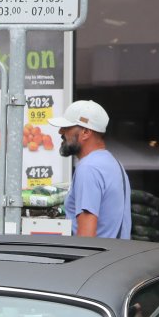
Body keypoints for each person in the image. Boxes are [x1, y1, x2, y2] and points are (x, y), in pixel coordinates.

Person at [49, 99, 131, 239]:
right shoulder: (114, 164)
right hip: (116, 252)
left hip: (98, 253)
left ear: (86, 132)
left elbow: (86, 238)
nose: (60, 132)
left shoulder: (88, 168)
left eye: (67, 128)